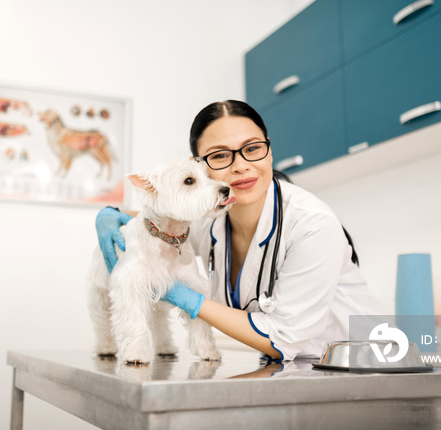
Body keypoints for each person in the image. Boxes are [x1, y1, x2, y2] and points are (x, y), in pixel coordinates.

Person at [96, 100, 383, 361]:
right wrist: (112, 214)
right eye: (220, 155)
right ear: (199, 167)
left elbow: (284, 338)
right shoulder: (211, 221)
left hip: (369, 363)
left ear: (269, 151)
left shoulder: (312, 224)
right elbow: (165, 214)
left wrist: (190, 300)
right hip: (298, 368)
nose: (241, 166)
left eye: (253, 148)